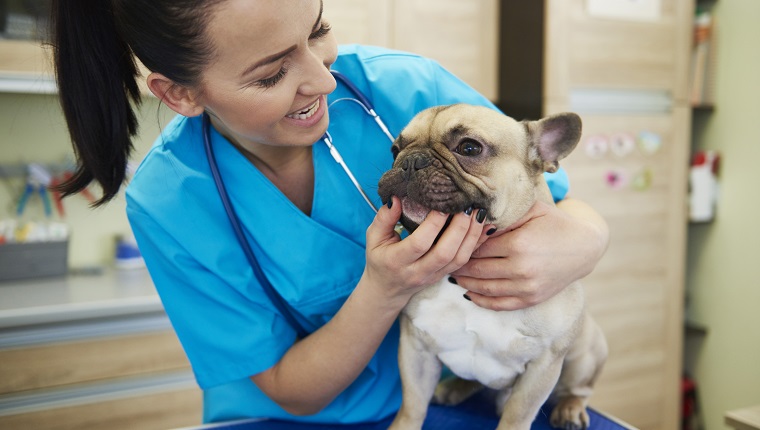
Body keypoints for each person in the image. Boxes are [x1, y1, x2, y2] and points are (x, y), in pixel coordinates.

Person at [50, 0, 609, 425]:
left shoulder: (405, 84)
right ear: (182, 95)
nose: (321, 78)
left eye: (317, 30)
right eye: (271, 74)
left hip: (459, 401)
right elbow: (288, 388)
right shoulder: (170, 201)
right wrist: (385, 288)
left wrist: (587, 237)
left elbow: (545, 190)